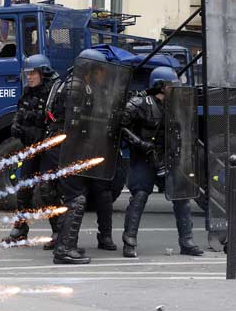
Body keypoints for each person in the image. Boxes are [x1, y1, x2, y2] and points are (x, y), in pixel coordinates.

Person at [43, 49, 121, 264]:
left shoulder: (69, 82)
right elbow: (76, 121)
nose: (102, 74)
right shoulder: (76, 87)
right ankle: (64, 250)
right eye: (100, 70)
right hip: (67, 148)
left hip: (64, 146)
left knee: (74, 197)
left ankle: (65, 245)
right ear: (91, 69)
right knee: (75, 199)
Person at [120, 67, 204, 258]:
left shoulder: (175, 105)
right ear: (160, 86)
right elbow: (121, 126)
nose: (174, 89)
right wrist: (140, 144)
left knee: (181, 197)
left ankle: (187, 241)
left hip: (167, 158)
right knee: (139, 196)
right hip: (144, 158)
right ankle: (129, 241)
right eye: (170, 85)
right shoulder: (139, 103)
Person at [1, 55, 55, 243]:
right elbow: (20, 113)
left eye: (33, 73)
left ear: (43, 73)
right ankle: (20, 228)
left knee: (49, 190)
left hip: (47, 148)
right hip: (31, 148)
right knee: (24, 188)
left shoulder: (52, 93)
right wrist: (17, 126)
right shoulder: (27, 93)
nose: (29, 77)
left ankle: (57, 232)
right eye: (28, 73)